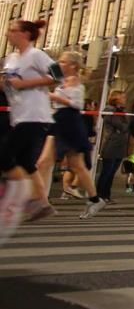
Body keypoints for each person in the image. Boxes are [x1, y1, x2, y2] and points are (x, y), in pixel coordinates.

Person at [1, 20, 59, 243]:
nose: (8, 33)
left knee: (5, 156)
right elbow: (9, 84)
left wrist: (26, 84)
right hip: (19, 116)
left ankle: (22, 200)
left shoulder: (37, 55)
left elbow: (57, 75)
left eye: (13, 30)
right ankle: (42, 203)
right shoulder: (12, 58)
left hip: (36, 116)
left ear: (26, 34)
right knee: (25, 162)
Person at [48, 51, 106, 219]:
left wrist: (53, 96)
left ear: (73, 65)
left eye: (64, 62)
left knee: (77, 165)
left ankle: (95, 199)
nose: (60, 64)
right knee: (52, 162)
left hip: (69, 122)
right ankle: (95, 199)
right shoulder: (61, 79)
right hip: (58, 120)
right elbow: (48, 73)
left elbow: (77, 104)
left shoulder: (75, 82)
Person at [95, 91, 129, 202]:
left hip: (119, 145)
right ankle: (100, 195)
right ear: (116, 98)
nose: (125, 99)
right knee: (106, 172)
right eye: (123, 97)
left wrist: (125, 126)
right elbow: (121, 126)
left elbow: (125, 126)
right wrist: (124, 126)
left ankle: (106, 195)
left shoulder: (121, 111)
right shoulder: (110, 110)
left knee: (112, 172)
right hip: (111, 144)